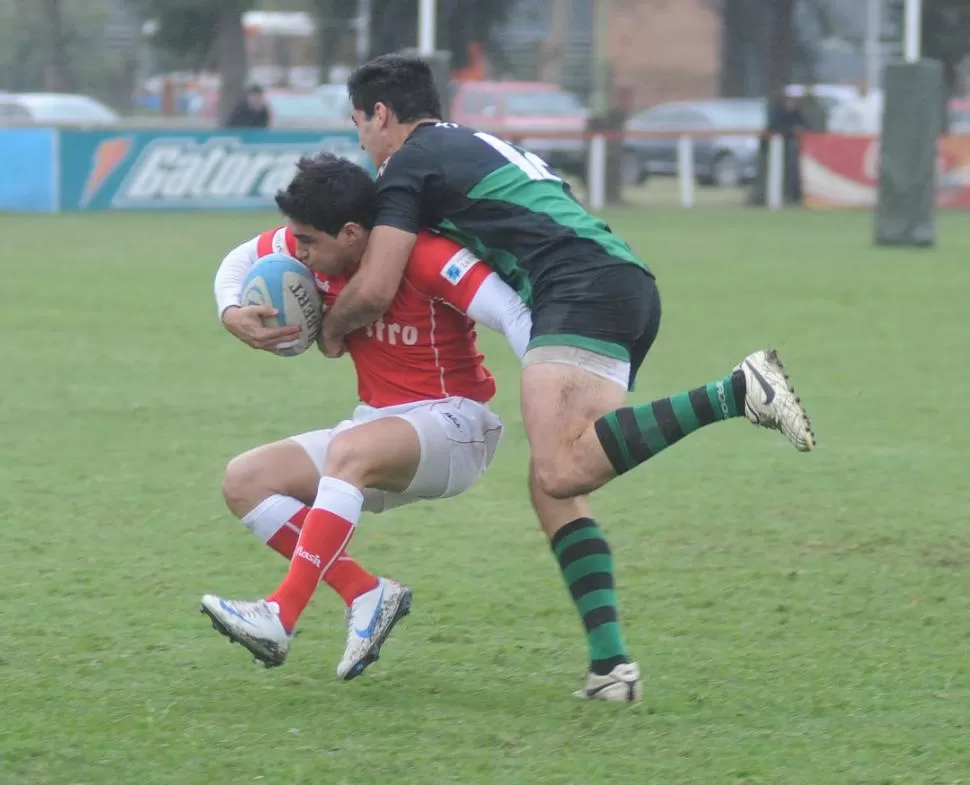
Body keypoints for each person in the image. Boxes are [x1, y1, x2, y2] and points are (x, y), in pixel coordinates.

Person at [315, 53, 816, 700]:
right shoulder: (472, 144)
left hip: (579, 289)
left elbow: (377, 285)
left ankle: (736, 391)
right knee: (554, 484)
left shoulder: (408, 164)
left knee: (561, 469)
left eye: (359, 124)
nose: (362, 141)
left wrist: (328, 330)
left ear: (381, 113)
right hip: (619, 281)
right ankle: (611, 667)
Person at [202, 154, 531, 680]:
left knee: (348, 451)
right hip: (379, 428)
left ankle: (280, 616)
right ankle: (364, 592)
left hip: (456, 425)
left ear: (352, 233)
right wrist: (231, 312)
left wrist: (550, 383)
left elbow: (512, 313)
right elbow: (238, 260)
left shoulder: (424, 255)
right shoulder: (314, 248)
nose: (298, 253)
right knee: (244, 479)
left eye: (308, 242)